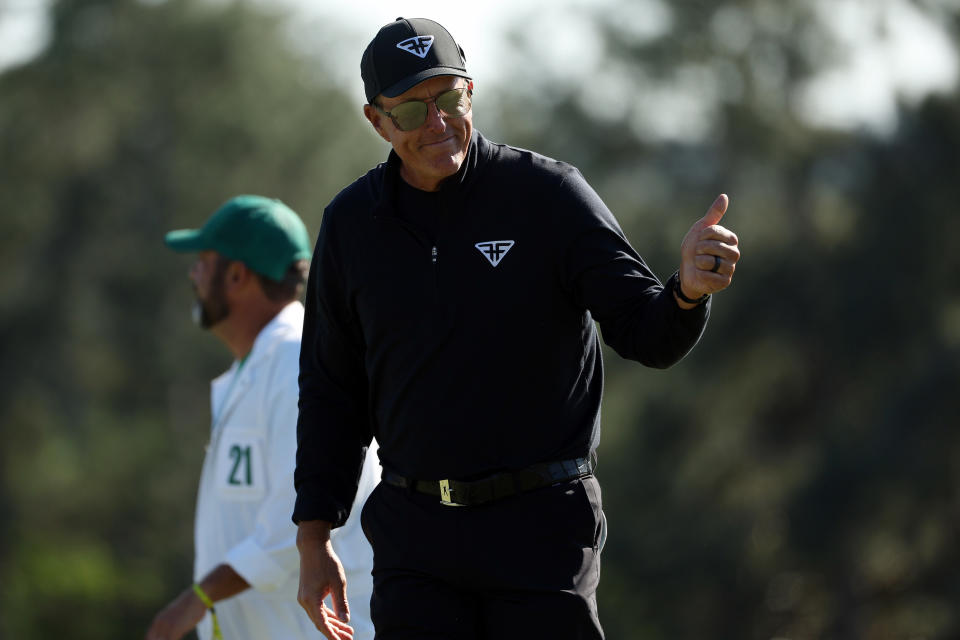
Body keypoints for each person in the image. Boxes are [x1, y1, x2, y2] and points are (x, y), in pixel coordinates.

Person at [293, 17, 740, 640]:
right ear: (377, 120)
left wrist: (688, 289)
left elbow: (646, 331)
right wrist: (315, 536)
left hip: (542, 530)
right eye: (413, 110)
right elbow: (330, 391)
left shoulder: (547, 195)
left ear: (470, 93)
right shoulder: (350, 225)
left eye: (450, 98)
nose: (439, 122)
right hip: (415, 540)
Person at [147, 195, 379, 640]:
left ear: (236, 274)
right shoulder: (261, 364)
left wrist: (196, 599)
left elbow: (297, 517)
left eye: (203, 260)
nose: (194, 274)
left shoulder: (296, 358)